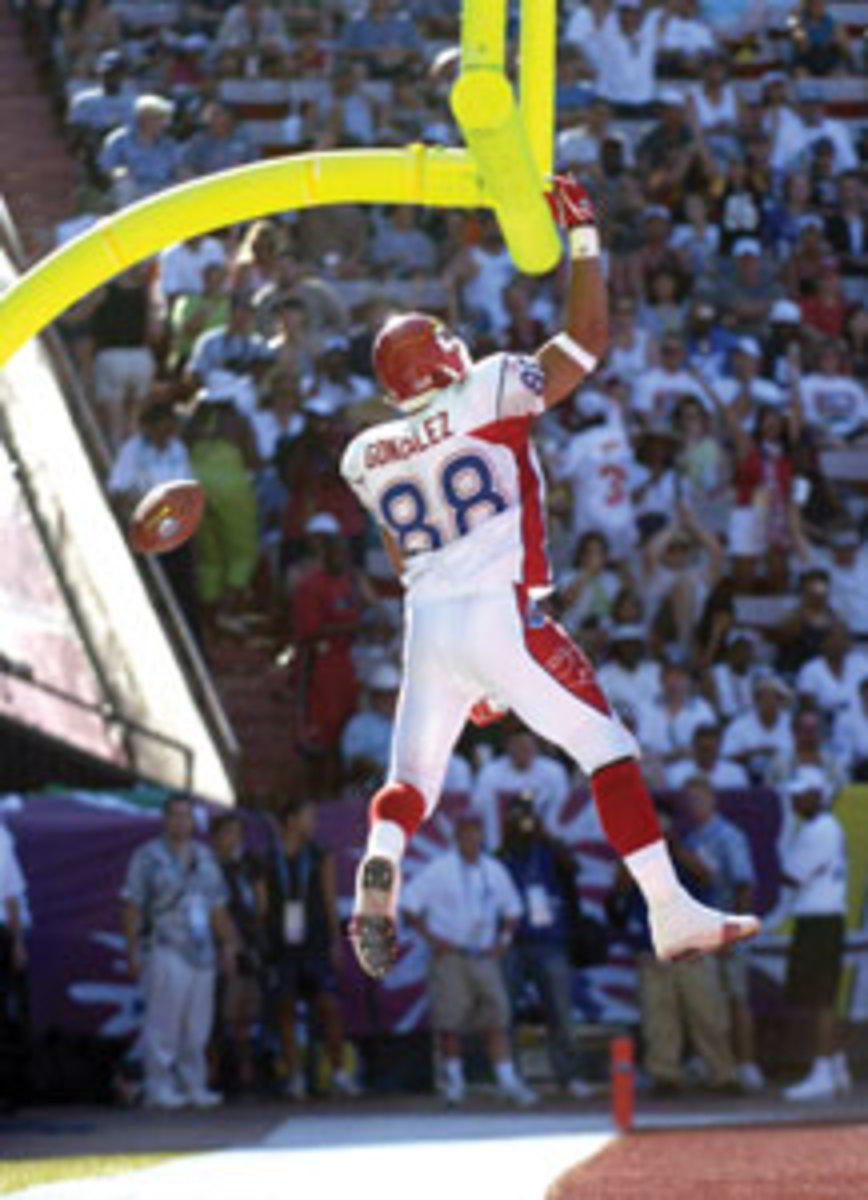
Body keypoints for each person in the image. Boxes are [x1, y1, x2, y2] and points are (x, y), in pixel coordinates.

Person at [338, 176, 759, 979]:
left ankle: (380, 857)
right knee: (607, 749)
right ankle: (670, 908)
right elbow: (587, 338)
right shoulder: (488, 387)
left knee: (408, 784)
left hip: (427, 624)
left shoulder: (363, 455)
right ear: (441, 357)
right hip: (501, 610)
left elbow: (400, 557)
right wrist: (587, 236)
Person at [402, 812, 535, 1107]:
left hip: (484, 954)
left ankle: (507, 1080)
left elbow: (513, 910)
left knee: (497, 1016)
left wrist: (504, 941)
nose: (471, 839)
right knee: (450, 1020)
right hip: (450, 955)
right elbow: (408, 905)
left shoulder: (493, 870)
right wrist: (432, 939)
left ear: (482, 836)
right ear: (456, 838)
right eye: (465, 833)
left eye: (475, 833)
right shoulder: (439, 870)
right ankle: (455, 1083)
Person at [122, 794, 235, 1110]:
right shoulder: (147, 857)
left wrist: (228, 943)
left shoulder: (204, 856)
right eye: (175, 815)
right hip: (165, 945)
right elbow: (132, 906)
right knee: (164, 1022)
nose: (181, 822)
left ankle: (194, 1085)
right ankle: (159, 1086)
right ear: (165, 818)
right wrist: (132, 951)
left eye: (186, 816)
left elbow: (217, 906)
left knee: (197, 1024)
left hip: (202, 950)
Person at [498, 795, 595, 1100]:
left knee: (560, 1012)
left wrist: (544, 835)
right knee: (507, 1013)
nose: (522, 825)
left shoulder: (550, 852)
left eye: (527, 818)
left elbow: (575, 868)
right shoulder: (502, 855)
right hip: (513, 944)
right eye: (516, 819)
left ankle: (569, 1076)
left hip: (550, 942)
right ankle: (513, 1077)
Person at [265, 799, 359, 1099]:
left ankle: (339, 1073)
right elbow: (263, 907)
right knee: (286, 1009)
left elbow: (330, 901)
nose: (313, 823)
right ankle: (294, 1077)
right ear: (290, 821)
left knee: (329, 1007)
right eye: (308, 817)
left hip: (314, 942)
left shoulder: (320, 855)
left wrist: (334, 941)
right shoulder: (267, 857)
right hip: (282, 944)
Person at [681, 777, 765, 1092]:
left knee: (736, 997)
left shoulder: (728, 836)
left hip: (724, 926)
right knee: (704, 1001)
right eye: (690, 801)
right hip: (700, 932)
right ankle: (714, 1062)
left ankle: (746, 1062)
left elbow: (744, 883)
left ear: (712, 801)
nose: (695, 806)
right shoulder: (689, 840)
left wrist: (736, 931)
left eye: (700, 799)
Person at [778, 767, 850, 1101]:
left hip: (818, 921)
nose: (794, 799)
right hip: (825, 918)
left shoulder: (817, 830)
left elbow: (789, 875)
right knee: (825, 999)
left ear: (818, 794)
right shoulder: (826, 826)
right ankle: (835, 1065)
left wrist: (782, 839)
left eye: (801, 793)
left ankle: (822, 1068)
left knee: (819, 1000)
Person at [211, 813, 267, 1094]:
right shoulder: (207, 866)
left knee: (246, 1015)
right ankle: (212, 1075)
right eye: (228, 832)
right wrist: (226, 942)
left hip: (249, 946)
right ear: (216, 836)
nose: (234, 839)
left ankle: (246, 1075)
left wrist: (253, 936)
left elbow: (261, 905)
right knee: (221, 1015)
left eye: (238, 833)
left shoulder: (247, 865)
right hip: (218, 948)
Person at [472, 729, 570, 851]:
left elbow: (562, 809)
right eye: (518, 746)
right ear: (508, 748)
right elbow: (478, 809)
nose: (523, 751)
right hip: (499, 847)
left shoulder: (554, 771)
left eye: (527, 747)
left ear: (536, 747)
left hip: (545, 844)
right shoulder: (490, 773)